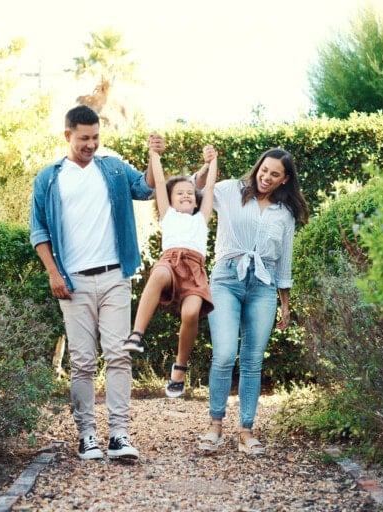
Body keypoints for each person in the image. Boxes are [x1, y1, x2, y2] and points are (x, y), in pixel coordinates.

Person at [29, 104, 164, 461]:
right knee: (84, 361)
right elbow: (39, 231)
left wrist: (154, 158)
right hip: (73, 283)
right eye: (84, 138)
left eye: (96, 137)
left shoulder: (113, 168)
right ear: (67, 135)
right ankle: (87, 435)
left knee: (119, 356)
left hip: (114, 276)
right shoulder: (49, 178)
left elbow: (146, 188)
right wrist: (53, 273)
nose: (91, 144)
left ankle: (119, 434)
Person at [193, 146, 309, 455]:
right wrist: (207, 166)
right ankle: (215, 426)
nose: (266, 177)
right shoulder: (231, 190)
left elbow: (284, 262)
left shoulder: (284, 215)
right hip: (226, 280)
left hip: (264, 285)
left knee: (253, 360)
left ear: (284, 180)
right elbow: (196, 192)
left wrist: (285, 304)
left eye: (275, 174)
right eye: (264, 170)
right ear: (257, 167)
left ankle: (245, 431)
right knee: (224, 354)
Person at [122, 146, 218, 398]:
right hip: (171, 262)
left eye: (189, 193)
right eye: (179, 193)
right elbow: (160, 180)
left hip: (195, 270)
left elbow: (208, 188)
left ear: (196, 200)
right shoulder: (168, 216)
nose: (186, 195)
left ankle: (180, 366)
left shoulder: (202, 218)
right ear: (170, 199)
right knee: (160, 274)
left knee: (191, 312)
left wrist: (212, 162)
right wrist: (154, 154)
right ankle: (136, 333)